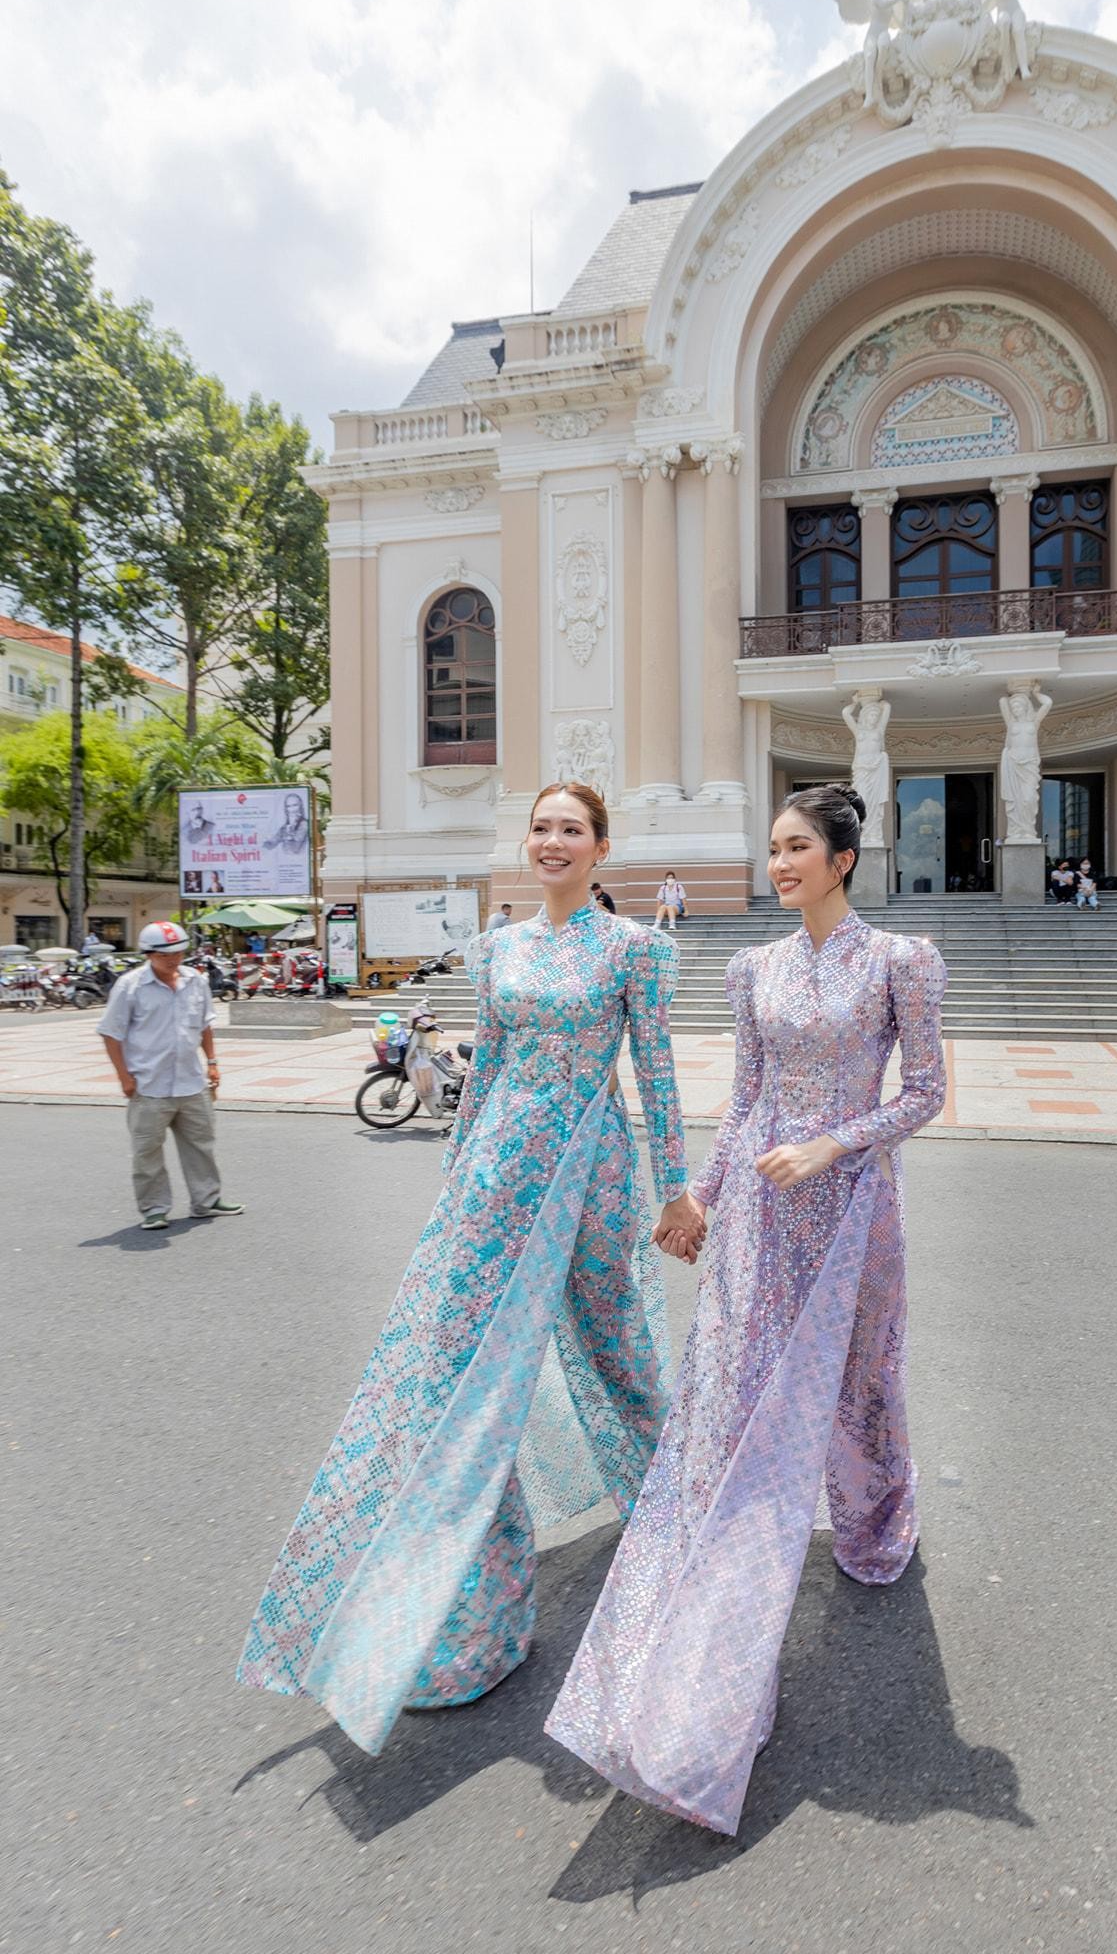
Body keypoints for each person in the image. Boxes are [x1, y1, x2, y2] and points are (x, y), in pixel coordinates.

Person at [237, 783, 701, 1756]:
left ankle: (677, 1507)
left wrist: (677, 1191)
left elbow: (652, 1068)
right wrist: (457, 1174)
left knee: (616, 1348)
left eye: (571, 828)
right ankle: (477, 1611)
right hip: (495, 1177)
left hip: (592, 1173)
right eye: (540, 826)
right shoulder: (501, 947)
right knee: (460, 1377)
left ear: (601, 846)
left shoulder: (635, 949)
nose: (552, 841)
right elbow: (486, 1063)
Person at [547, 782, 947, 1836]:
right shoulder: (752, 967)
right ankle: (726, 1621)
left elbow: (926, 1093)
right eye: (772, 848)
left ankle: (874, 1524)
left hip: (855, 1207)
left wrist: (836, 1141)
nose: (780, 865)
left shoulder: (901, 960)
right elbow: (747, 1100)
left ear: (844, 857)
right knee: (739, 1405)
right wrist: (701, 1200)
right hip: (765, 1221)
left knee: (864, 1379)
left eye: (798, 848)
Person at [96, 920, 245, 1232]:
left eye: (179, 952)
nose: (174, 959)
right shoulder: (130, 987)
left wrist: (213, 1062)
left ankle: (207, 1200)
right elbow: (111, 1035)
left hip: (192, 1081)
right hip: (149, 1084)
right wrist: (124, 1076)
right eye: (166, 955)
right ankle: (154, 1209)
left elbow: (205, 1025)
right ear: (149, 954)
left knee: (201, 1144)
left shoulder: (195, 981)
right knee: (147, 1151)